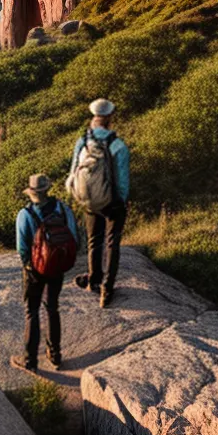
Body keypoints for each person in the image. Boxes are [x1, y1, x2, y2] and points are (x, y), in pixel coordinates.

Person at [10, 174, 78, 373]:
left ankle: (30, 361)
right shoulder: (63, 209)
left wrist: (29, 267)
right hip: (57, 267)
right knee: (52, 308)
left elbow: (22, 248)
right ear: (47, 190)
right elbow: (74, 238)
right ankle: (55, 355)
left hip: (35, 270)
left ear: (31, 193)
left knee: (32, 311)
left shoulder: (25, 215)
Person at [70, 98, 130, 307]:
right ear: (110, 117)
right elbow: (123, 181)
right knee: (112, 243)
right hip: (112, 202)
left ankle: (93, 280)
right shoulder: (118, 145)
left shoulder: (82, 142)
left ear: (93, 117)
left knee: (94, 240)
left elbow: (73, 172)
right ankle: (107, 288)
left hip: (89, 200)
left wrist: (80, 197)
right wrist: (122, 201)